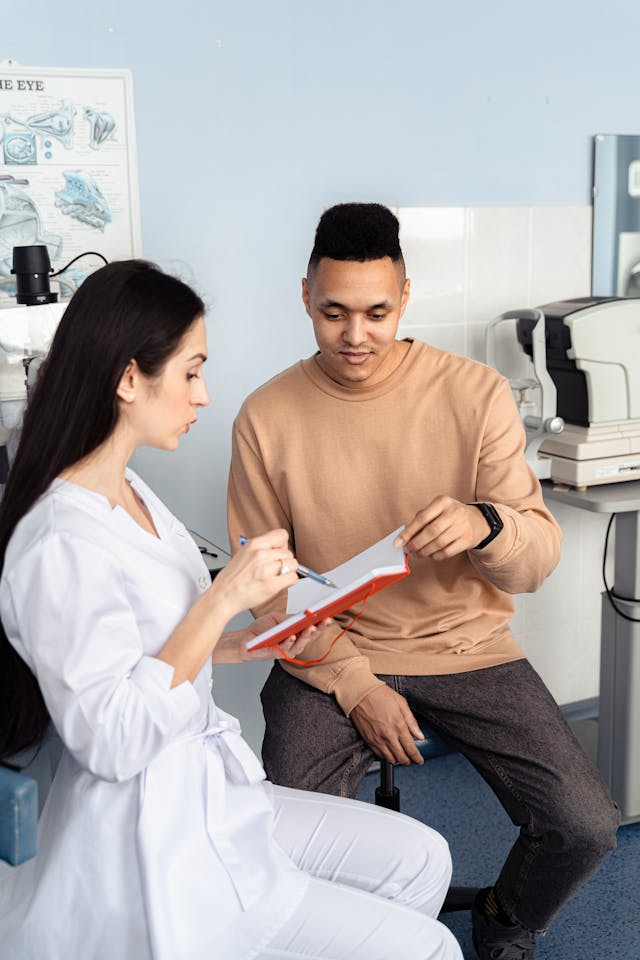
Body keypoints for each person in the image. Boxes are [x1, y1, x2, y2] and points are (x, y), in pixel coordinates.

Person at [0, 260, 462, 960]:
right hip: (159, 833)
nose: (204, 394)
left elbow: (146, 646)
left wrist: (243, 640)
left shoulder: (130, 492)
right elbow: (113, 740)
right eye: (190, 372)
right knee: (431, 949)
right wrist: (221, 600)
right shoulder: (60, 543)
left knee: (421, 858)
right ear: (129, 379)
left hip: (212, 790)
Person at [227, 203, 620, 960]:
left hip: (467, 646)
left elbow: (537, 558)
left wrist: (488, 526)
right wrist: (355, 684)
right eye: (333, 312)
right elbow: (269, 589)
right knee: (285, 832)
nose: (355, 336)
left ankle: (505, 919)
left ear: (405, 297)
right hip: (330, 652)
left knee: (584, 824)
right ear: (303, 294)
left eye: (376, 312)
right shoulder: (265, 417)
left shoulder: (474, 395)